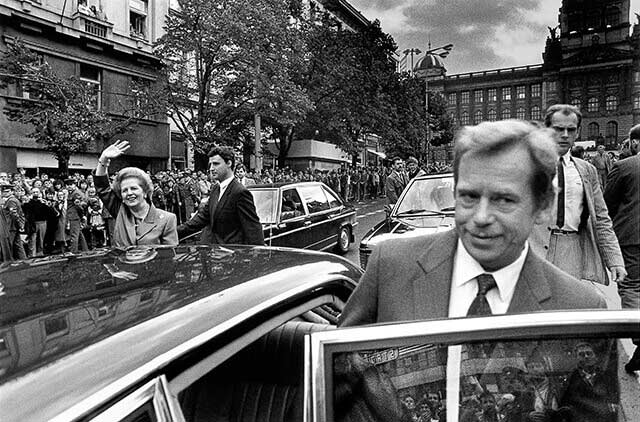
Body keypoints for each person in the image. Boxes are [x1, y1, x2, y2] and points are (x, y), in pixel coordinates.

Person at [339, 120, 606, 327]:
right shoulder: (390, 267)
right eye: (468, 196)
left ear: (544, 205)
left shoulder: (580, 308)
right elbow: (342, 379)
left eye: (503, 200)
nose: (480, 217)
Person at [530, 104, 626, 285]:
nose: (565, 135)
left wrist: (614, 260)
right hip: (534, 247)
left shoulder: (586, 170)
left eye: (571, 129)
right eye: (558, 129)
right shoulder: (529, 165)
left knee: (567, 305)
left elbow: (601, 217)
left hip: (571, 247)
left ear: (578, 132)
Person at [94, 140, 178, 247]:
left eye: (133, 188)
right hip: (122, 263)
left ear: (145, 192)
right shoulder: (120, 211)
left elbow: (169, 257)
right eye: (124, 190)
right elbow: (102, 188)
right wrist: (103, 159)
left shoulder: (167, 219)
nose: (129, 193)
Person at [603, 130, 640, 373]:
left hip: (631, 236)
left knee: (632, 286)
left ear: (636, 141)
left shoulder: (625, 167)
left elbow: (607, 203)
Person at [177, 146, 264, 245]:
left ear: (229, 163)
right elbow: (201, 219)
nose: (211, 169)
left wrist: (258, 255)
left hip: (233, 256)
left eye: (216, 164)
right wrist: (173, 232)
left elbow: (253, 229)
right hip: (215, 253)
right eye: (210, 165)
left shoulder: (240, 192)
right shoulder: (215, 189)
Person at [560, 341, 618, 422]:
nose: (586, 357)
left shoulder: (607, 376)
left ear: (596, 357)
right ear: (576, 359)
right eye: (581, 354)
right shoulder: (570, 381)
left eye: (589, 353)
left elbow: (615, 400)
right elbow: (564, 406)